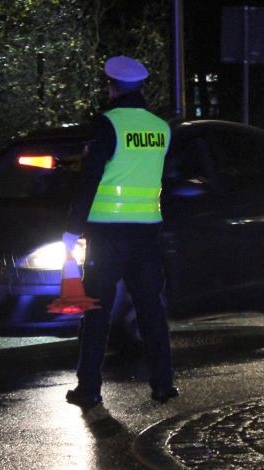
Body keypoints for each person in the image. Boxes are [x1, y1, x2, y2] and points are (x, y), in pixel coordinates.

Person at [62, 55, 177, 408]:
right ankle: (162, 384)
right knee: (151, 311)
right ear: (140, 87)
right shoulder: (161, 128)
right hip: (146, 234)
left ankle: (89, 388)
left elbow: (91, 179)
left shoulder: (107, 124)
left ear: (111, 88)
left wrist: (71, 229)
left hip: (108, 234)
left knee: (97, 310)